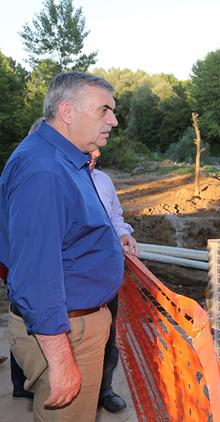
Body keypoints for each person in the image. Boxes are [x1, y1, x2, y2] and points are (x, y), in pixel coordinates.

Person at [0, 72, 123, 421]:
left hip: (77, 325)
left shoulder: (61, 160)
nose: (113, 121)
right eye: (104, 110)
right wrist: (61, 360)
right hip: (68, 332)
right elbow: (35, 277)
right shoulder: (45, 171)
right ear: (68, 112)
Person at [89, 148, 138, 412]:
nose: (96, 154)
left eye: (99, 150)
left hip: (106, 272)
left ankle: (104, 390)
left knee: (108, 334)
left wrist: (122, 235)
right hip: (77, 275)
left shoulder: (104, 181)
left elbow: (115, 215)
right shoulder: (61, 178)